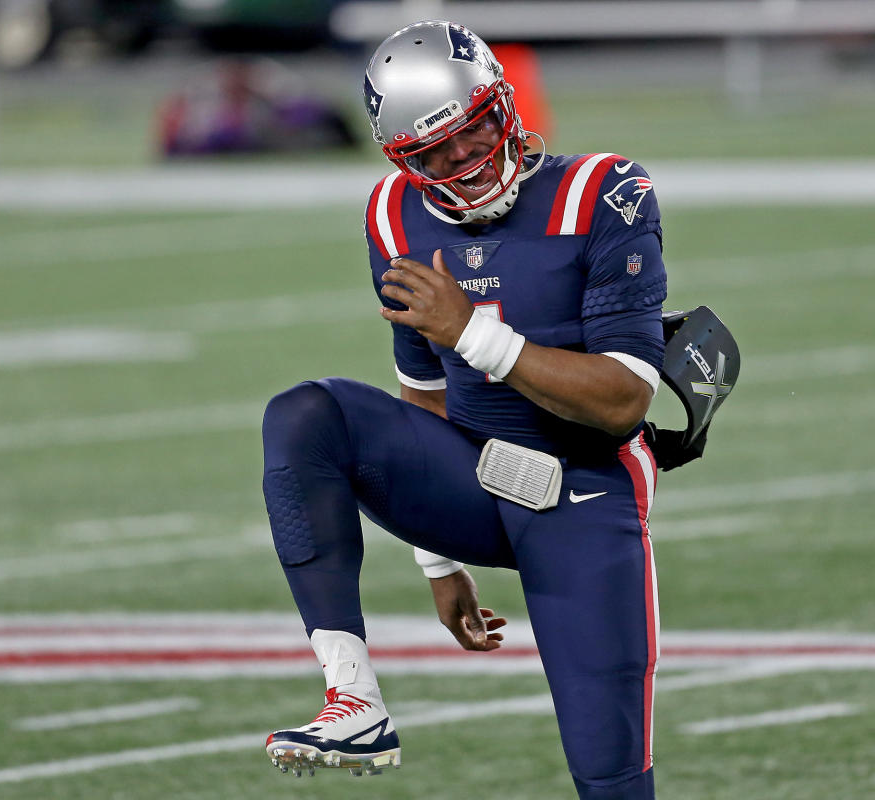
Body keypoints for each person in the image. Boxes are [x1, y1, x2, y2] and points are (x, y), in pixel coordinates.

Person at [262, 20, 668, 799]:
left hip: (584, 492)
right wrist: (437, 561)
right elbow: (422, 388)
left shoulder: (601, 191)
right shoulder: (392, 213)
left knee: (611, 777)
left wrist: (474, 334)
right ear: (400, 160)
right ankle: (353, 699)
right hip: (474, 476)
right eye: (431, 154)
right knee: (307, 415)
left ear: (501, 103)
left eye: (472, 130)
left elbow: (623, 402)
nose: (462, 159)